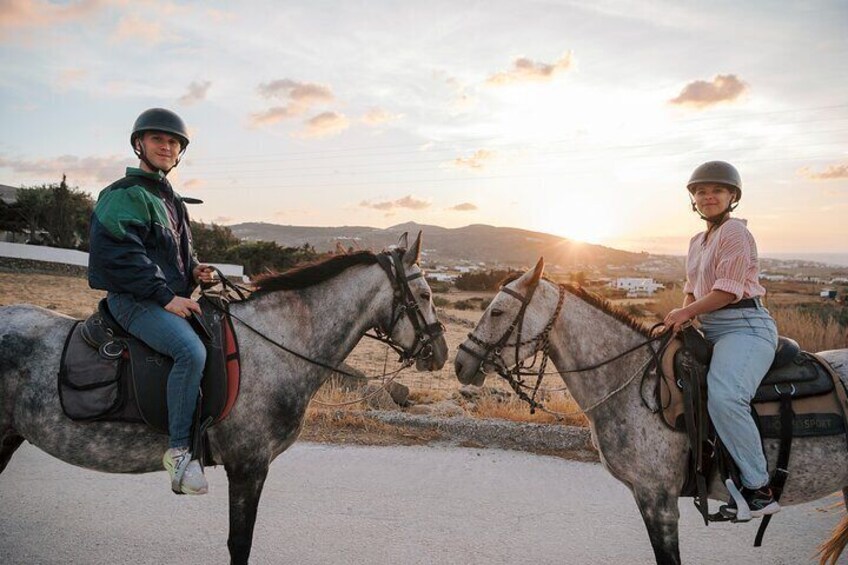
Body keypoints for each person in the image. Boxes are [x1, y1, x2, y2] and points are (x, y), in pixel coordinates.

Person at [88, 108, 217, 495]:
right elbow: (124, 256)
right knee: (190, 352)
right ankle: (178, 452)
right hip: (134, 299)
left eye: (173, 142)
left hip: (163, 297)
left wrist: (195, 271)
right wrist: (167, 298)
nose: (166, 146)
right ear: (139, 144)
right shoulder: (124, 195)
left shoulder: (171, 201)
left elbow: (175, 255)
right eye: (158, 139)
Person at [663, 160, 780, 518]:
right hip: (711, 328)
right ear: (693, 200)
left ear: (732, 196)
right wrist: (683, 316)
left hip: (745, 327)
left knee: (726, 396)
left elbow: (727, 292)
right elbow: (690, 290)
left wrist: (687, 313)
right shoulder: (697, 241)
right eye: (700, 191)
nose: (707, 196)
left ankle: (759, 489)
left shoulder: (735, 234)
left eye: (716, 190)